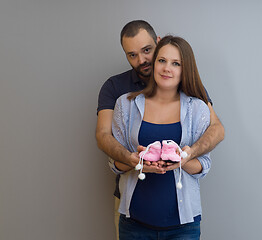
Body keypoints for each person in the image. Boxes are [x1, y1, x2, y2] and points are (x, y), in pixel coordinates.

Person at [95, 20, 224, 239]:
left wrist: (185, 156)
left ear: (157, 43)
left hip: (182, 222)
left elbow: (216, 131)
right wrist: (133, 160)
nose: (142, 60)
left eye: (147, 51)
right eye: (132, 55)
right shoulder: (123, 99)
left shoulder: (195, 104)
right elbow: (104, 137)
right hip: (134, 216)